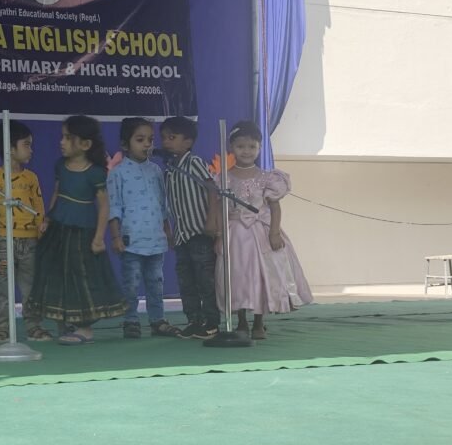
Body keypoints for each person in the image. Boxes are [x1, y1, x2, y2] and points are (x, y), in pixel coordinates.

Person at [25, 115, 126, 345]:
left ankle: (85, 328)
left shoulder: (95, 172)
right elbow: (57, 193)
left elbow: (104, 206)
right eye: (62, 137)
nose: (61, 142)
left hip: (83, 232)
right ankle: (66, 323)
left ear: (85, 144)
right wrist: (48, 218)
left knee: (82, 277)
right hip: (59, 229)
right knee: (59, 274)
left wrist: (99, 237)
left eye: (68, 138)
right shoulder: (60, 166)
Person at [210, 120, 312, 339]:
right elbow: (220, 209)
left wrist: (274, 232)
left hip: (261, 234)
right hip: (235, 236)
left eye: (252, 146)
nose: (246, 151)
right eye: (240, 146)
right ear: (231, 147)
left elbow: (275, 207)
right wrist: (219, 235)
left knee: (262, 276)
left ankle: (259, 322)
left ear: (259, 147)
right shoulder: (223, 178)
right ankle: (241, 321)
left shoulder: (268, 178)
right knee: (237, 277)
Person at [108, 117, 180, 338]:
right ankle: (130, 320)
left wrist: (168, 232)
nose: (147, 144)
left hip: (155, 239)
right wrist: (116, 237)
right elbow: (114, 207)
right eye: (140, 140)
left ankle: (157, 320)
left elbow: (162, 205)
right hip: (131, 240)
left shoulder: (156, 170)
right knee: (131, 283)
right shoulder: (118, 173)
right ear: (125, 144)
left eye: (150, 139)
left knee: (156, 282)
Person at [0, 119, 50, 343]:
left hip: (29, 241)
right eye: (26, 144)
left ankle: (34, 326)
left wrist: (42, 229)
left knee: (30, 287)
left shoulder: (31, 178)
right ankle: (2, 328)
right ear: (10, 149)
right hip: (3, 241)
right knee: (4, 286)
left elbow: (38, 207)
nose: (31, 150)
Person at [160, 116, 220, 339]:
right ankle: (194, 320)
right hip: (182, 235)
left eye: (172, 137)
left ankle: (212, 322)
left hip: (199, 232)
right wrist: (170, 232)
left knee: (205, 279)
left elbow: (212, 189)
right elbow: (168, 204)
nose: (166, 142)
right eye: (164, 138)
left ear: (188, 141)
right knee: (186, 281)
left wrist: (211, 220)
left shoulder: (193, 162)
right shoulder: (169, 169)